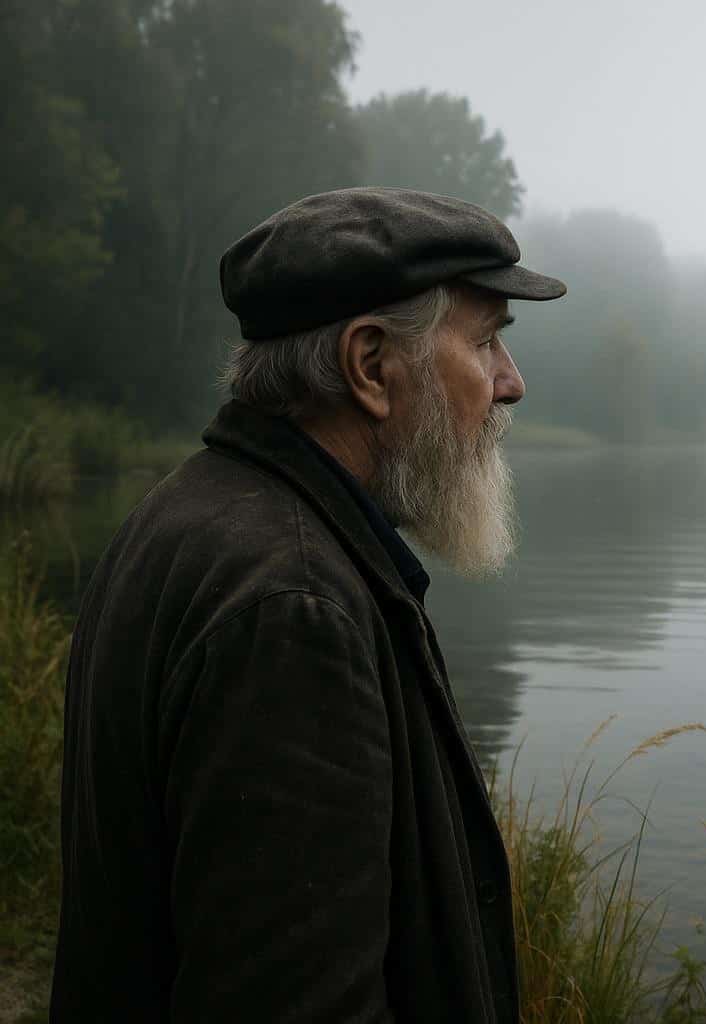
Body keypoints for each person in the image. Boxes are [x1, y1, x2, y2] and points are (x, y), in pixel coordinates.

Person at [50, 187, 566, 1022]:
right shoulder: (294, 608)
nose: (511, 384)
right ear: (370, 366)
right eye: (484, 343)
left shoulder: (192, 512)